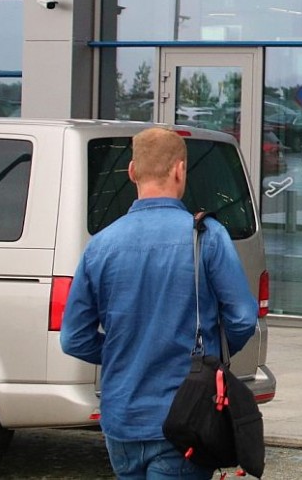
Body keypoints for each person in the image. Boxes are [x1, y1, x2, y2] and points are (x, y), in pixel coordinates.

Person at [61, 127, 258, 479]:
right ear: (180, 170)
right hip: (186, 414)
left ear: (131, 171)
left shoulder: (100, 245)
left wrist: (124, 352)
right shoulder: (207, 237)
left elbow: (73, 338)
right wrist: (210, 358)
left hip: (121, 418)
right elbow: (243, 319)